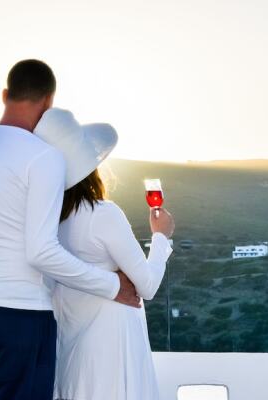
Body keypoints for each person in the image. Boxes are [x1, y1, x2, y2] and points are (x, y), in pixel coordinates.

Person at [0, 60, 141, 400]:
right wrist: (112, 285)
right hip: (20, 319)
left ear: (5, 94)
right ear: (49, 103)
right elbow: (41, 251)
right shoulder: (43, 156)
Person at [34, 108, 175, 400]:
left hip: (74, 346)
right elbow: (146, 286)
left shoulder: (48, 223)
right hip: (113, 344)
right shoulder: (103, 214)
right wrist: (161, 237)